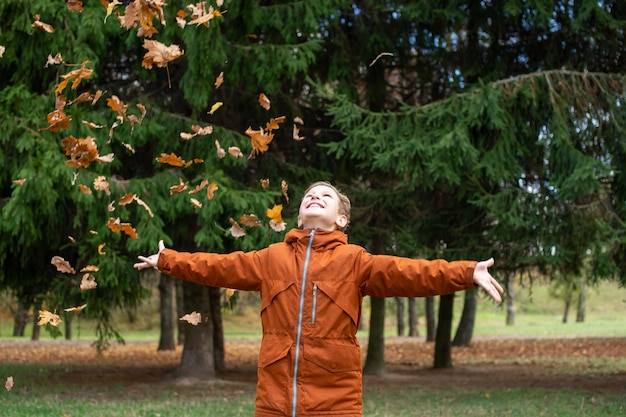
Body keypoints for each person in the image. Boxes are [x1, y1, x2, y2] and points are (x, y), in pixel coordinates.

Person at [135, 181, 504, 417]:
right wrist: (168, 260)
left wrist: (467, 272)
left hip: (336, 399)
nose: (315, 197)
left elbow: (412, 273)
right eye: (309, 195)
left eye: (325, 196)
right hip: (274, 400)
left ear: (341, 219)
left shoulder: (355, 260)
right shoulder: (269, 258)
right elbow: (217, 267)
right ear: (299, 213)